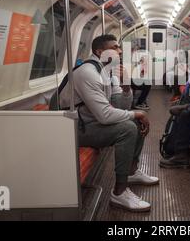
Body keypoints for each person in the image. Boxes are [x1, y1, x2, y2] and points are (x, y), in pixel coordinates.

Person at [60, 34, 158, 212]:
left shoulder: (106, 72)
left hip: (90, 123)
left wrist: (127, 86)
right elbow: (106, 115)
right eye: (115, 47)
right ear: (100, 51)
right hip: (72, 129)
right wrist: (137, 113)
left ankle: (132, 171)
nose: (120, 51)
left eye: (119, 47)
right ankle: (119, 193)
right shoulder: (87, 73)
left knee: (134, 124)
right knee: (129, 128)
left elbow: (120, 105)